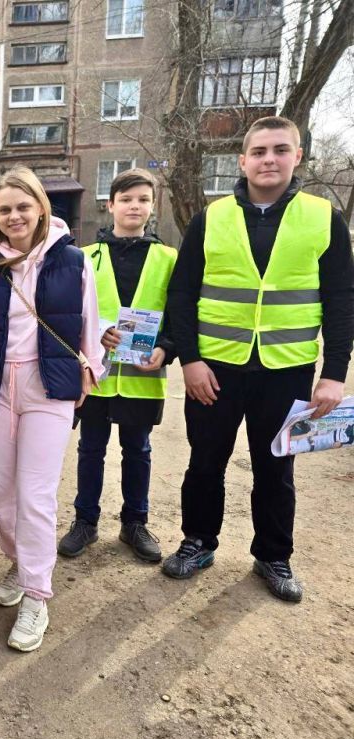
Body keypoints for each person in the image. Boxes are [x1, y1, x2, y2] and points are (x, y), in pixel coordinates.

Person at [163, 115, 354, 602]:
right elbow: (181, 294)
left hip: (285, 369)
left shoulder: (322, 217)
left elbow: (340, 300)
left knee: (276, 471)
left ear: (297, 157)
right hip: (215, 369)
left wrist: (333, 375)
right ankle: (198, 542)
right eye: (260, 151)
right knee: (205, 463)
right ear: (243, 160)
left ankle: (274, 555)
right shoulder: (212, 217)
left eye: (280, 150)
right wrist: (190, 360)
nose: (270, 159)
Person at [0, 166, 106, 652]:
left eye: (23, 206)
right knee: (3, 492)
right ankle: (20, 563)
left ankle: (37, 595)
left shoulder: (74, 261)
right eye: (4, 209)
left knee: (36, 494)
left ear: (41, 207)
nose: (15, 216)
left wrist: (90, 368)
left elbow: (90, 321)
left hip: (48, 388)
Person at [58, 168, 178, 563]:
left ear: (152, 206)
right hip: (97, 376)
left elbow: (179, 314)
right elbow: (69, 312)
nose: (134, 206)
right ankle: (85, 521)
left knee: (138, 451)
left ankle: (134, 523)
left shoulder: (168, 258)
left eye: (143, 199)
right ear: (110, 206)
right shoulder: (86, 257)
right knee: (91, 449)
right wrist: (95, 337)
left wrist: (166, 347)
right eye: (126, 199)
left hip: (144, 376)